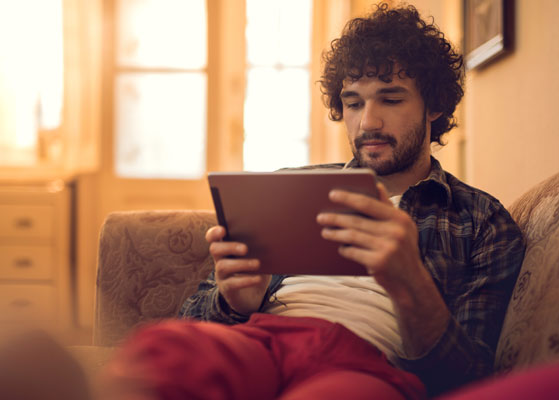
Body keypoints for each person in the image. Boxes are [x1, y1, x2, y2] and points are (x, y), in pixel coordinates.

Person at [100, 3, 525, 399]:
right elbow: (192, 319)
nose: (368, 122)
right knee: (162, 350)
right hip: (262, 339)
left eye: (391, 99)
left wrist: (409, 281)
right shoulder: (288, 188)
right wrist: (233, 302)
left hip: (367, 364)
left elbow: (469, 380)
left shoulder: (481, 221)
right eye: (353, 103)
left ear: (434, 106)